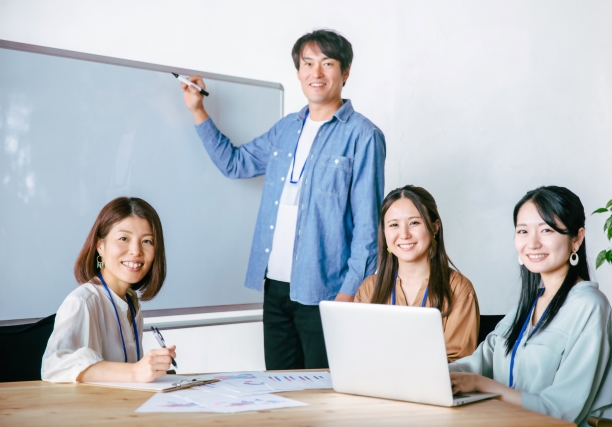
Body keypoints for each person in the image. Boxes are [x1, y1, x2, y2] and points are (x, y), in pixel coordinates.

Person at [180, 29, 386, 369]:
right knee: (280, 388)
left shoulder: (364, 136)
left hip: (326, 291)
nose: (316, 72)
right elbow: (235, 163)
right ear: (298, 72)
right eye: (308, 63)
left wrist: (349, 292)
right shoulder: (286, 128)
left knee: (324, 391)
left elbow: (368, 226)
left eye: (327, 63)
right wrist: (197, 109)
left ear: (345, 72)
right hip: (275, 287)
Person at [449, 186, 612, 426]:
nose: (533, 243)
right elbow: (479, 362)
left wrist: (480, 384)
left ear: (577, 239)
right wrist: (435, 373)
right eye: (523, 231)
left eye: (546, 230)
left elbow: (560, 411)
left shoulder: (589, 306)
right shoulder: (529, 305)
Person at [42, 197, 176, 383]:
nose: (136, 251)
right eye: (124, 239)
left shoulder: (131, 303)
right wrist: (134, 372)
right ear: (100, 246)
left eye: (147, 241)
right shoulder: (83, 302)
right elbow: (52, 367)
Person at [355, 185, 479, 361]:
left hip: (434, 380)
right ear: (384, 232)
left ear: (434, 227)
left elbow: (457, 363)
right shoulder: (370, 288)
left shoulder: (458, 288)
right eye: (394, 225)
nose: (404, 234)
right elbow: (358, 352)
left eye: (414, 223)